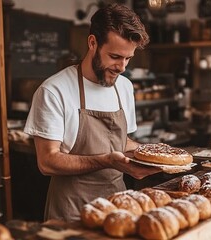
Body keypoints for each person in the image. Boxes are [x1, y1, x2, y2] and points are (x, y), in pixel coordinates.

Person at [23, 3, 161, 222]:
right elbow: (47, 161)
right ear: (92, 43)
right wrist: (106, 161)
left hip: (118, 208)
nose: (122, 67)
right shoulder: (55, 90)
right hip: (72, 211)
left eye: (128, 58)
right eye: (115, 56)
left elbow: (121, 142)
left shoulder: (124, 87)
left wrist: (158, 156)